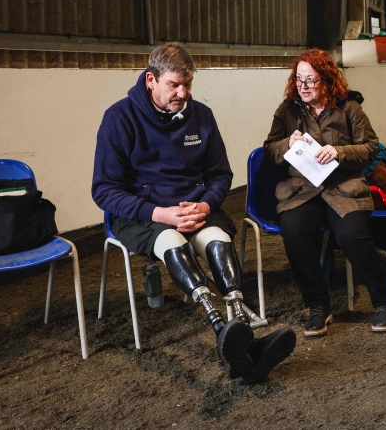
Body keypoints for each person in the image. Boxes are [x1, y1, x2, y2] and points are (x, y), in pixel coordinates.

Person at [92, 42, 296, 382]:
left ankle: (239, 333)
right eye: (174, 84)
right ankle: (222, 330)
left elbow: (220, 175)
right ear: (150, 81)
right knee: (173, 241)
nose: (183, 92)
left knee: (217, 238)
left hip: (194, 206)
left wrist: (205, 204)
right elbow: (104, 190)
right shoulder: (118, 118)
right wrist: (160, 213)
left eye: (188, 84)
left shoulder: (201, 115)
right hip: (145, 215)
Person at [264, 48, 386, 335]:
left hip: (343, 188)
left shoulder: (349, 108)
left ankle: (383, 301)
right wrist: (288, 143)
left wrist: (339, 151)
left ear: (327, 80)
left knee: (351, 235)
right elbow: (269, 149)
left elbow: (371, 148)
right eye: (299, 79)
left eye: (311, 80)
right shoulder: (287, 110)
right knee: (294, 230)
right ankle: (318, 307)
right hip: (302, 189)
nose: (303, 86)